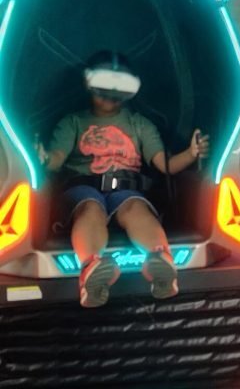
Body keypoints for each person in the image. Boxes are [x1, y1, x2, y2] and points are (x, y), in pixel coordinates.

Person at [36, 51, 209, 308]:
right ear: (89, 83)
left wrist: (191, 153)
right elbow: (57, 159)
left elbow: (165, 165)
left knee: (136, 208)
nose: (110, 94)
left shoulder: (139, 124)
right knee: (90, 209)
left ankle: (160, 262)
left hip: (126, 189)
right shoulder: (73, 122)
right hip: (83, 186)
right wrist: (43, 158)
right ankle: (92, 268)